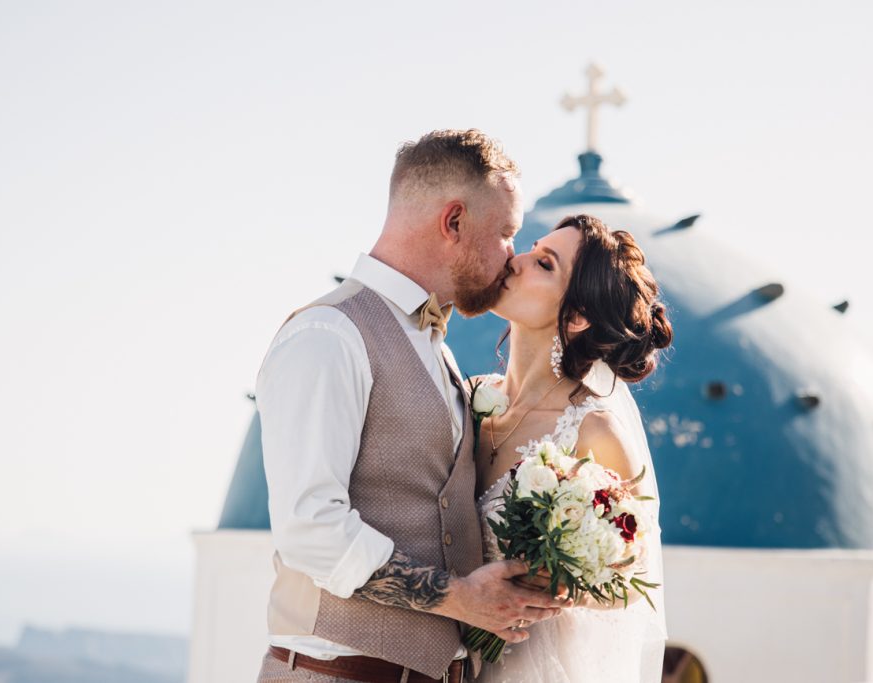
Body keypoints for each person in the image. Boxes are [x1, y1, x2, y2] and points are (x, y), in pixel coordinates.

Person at [255, 129, 572, 683]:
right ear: (453, 222)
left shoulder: (437, 351)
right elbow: (309, 528)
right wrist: (459, 599)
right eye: (504, 233)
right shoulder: (329, 335)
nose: (511, 256)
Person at [472, 213, 671, 683]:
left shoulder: (594, 430)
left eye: (544, 264)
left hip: (535, 666)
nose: (515, 261)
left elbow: (631, 585)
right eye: (532, 248)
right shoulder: (472, 399)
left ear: (577, 315)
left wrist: (558, 584)